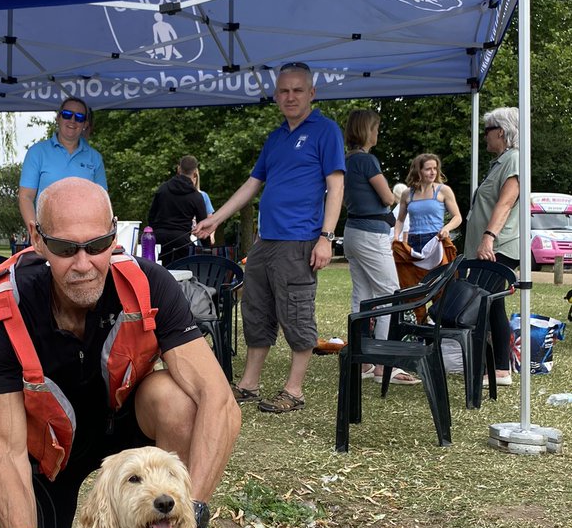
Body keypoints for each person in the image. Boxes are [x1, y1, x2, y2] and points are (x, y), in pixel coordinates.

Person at [0, 177, 243, 528]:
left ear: (114, 237)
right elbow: (7, 448)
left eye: (96, 245)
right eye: (64, 248)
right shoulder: (2, 309)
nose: (82, 264)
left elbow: (220, 402)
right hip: (50, 452)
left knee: (174, 397)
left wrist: (191, 520)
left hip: (127, 445)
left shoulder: (150, 282)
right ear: (37, 241)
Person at [194, 62, 345, 414]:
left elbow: (336, 186)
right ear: (276, 95)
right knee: (256, 309)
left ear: (312, 93)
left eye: (297, 90)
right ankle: (248, 384)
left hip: (300, 238)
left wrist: (326, 237)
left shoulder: (326, 131)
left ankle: (294, 390)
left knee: (296, 311)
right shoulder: (276, 138)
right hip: (266, 240)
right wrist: (214, 218)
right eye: (284, 91)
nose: (290, 96)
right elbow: (252, 184)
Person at [342, 109, 419, 385]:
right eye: (375, 128)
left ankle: (361, 359)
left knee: (362, 295)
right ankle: (382, 364)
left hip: (351, 231)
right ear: (365, 131)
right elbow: (388, 197)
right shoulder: (367, 161)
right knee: (389, 293)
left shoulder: (345, 160)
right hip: (371, 233)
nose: (377, 133)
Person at [463, 106, 521, 386]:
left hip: (500, 245)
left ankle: (499, 368)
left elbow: (507, 201)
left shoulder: (514, 159)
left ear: (501, 131)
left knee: (485, 302)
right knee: (492, 304)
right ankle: (499, 367)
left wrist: (488, 236)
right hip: (489, 246)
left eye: (487, 131)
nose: (484, 136)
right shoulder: (501, 161)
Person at [18, 98, 107, 231]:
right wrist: (35, 233)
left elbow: (103, 201)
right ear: (58, 118)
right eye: (67, 114)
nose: (72, 120)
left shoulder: (95, 157)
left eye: (79, 117)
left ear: (85, 124)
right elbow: (26, 197)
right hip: (47, 234)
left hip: (85, 233)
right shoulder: (37, 152)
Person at [146, 155, 208, 265]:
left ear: (178, 169)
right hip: (181, 241)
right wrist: (208, 248)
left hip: (159, 240)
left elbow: (151, 216)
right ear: (195, 172)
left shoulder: (163, 189)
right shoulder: (196, 196)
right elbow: (203, 224)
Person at [395, 154, 462, 254]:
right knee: (413, 270)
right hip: (413, 240)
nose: (433, 172)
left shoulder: (443, 190)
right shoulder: (407, 194)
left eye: (435, 168)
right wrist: (396, 238)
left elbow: (457, 217)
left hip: (436, 238)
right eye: (428, 169)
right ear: (418, 171)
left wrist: (446, 228)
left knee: (439, 270)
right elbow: (400, 220)